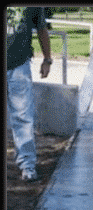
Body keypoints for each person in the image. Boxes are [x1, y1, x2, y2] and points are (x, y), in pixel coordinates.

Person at [6, 7, 52, 181]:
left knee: (23, 116)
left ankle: (27, 166)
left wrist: (47, 59)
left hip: (19, 64)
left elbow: (41, 28)